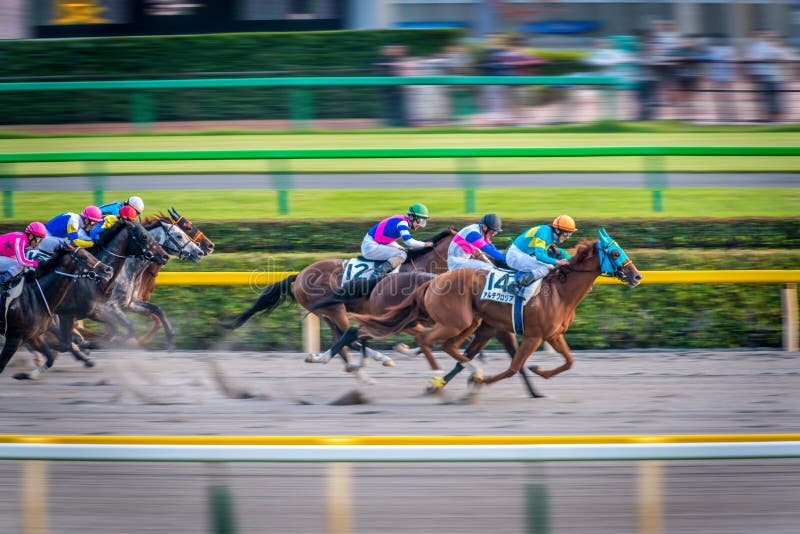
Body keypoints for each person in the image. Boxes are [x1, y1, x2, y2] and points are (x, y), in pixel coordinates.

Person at [505, 215, 577, 296]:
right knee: (546, 268)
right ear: (557, 230)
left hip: (522, 255)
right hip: (515, 256)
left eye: (570, 234)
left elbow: (542, 256)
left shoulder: (550, 235)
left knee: (550, 267)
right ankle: (516, 285)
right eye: (566, 234)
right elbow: (540, 256)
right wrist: (558, 262)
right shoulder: (544, 232)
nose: (567, 237)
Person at [361, 203, 433, 280]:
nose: (420, 225)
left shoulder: (402, 221)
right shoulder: (402, 223)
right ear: (411, 217)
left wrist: (398, 246)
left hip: (372, 244)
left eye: (423, 221)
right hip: (370, 247)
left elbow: (386, 239)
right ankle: (378, 273)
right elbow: (409, 242)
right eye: (419, 221)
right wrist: (424, 244)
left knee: (401, 250)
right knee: (402, 255)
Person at [0, 222, 47, 332]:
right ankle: (2, 281)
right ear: (31, 236)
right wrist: (37, 263)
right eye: (39, 239)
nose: (39, 243)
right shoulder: (20, 240)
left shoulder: (23, 239)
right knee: (20, 264)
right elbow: (22, 261)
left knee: (19, 265)